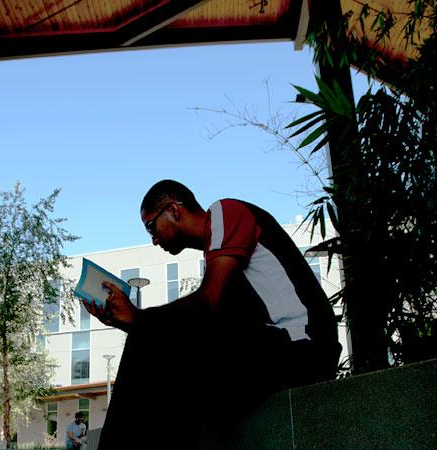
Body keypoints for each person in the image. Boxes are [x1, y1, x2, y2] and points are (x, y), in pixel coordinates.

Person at [84, 180, 341, 449]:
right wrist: (133, 323)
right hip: (282, 350)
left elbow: (205, 303)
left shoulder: (225, 211)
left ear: (174, 210)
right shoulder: (225, 260)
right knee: (170, 362)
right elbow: (205, 325)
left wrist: (139, 322)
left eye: (151, 226)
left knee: (149, 336)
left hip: (305, 347)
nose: (154, 240)